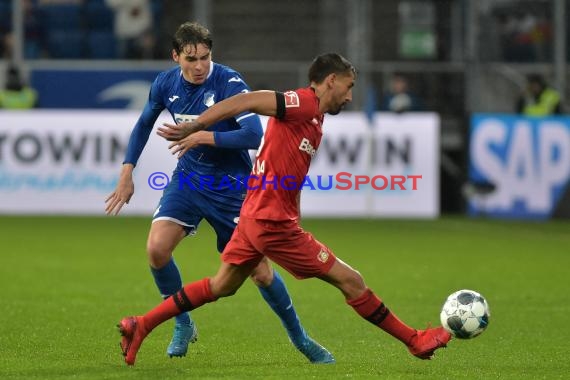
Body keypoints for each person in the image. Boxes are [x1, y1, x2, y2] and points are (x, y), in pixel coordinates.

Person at [117, 53, 452, 366]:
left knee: (222, 286)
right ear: (331, 80)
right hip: (270, 223)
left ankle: (141, 324)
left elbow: (291, 171)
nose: (350, 97)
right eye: (349, 87)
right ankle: (414, 340)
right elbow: (245, 101)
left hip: (254, 218)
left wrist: (295, 211)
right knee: (351, 281)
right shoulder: (301, 103)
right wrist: (195, 126)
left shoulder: (316, 118)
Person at [104, 22, 333, 364]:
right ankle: (183, 323)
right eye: (191, 59)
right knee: (156, 249)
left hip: (232, 186)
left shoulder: (228, 82)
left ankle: (301, 339)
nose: (199, 66)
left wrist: (201, 136)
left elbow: (253, 135)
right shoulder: (165, 83)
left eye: (205, 57)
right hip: (190, 180)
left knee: (261, 272)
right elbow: (143, 124)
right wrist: (126, 173)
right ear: (175, 56)